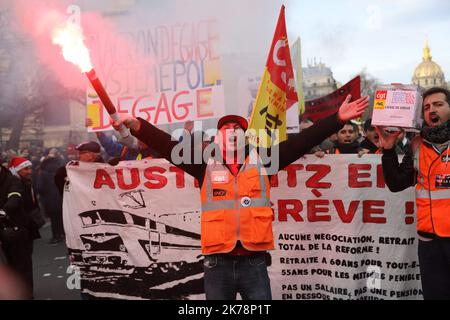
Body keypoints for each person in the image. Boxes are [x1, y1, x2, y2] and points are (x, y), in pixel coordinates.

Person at [113, 94, 368, 300]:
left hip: (253, 265)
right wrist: (137, 126)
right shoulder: (202, 164)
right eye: (226, 128)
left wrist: (336, 119)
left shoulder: (264, 161)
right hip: (217, 266)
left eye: (237, 128)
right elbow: (168, 145)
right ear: (218, 137)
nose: (232, 131)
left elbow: (302, 140)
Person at [376, 87, 450, 300]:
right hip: (429, 243)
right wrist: (389, 149)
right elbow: (397, 183)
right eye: (426, 107)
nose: (431, 110)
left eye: (438, 104)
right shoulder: (417, 145)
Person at [8, 157, 42, 295]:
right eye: (25, 169)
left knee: (24, 262)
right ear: (17, 170)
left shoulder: (27, 182)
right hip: (18, 228)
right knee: (19, 264)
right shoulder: (13, 184)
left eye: (29, 168)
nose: (29, 171)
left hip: (27, 228)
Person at [0, 163, 33, 299]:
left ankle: (26, 294)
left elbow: (15, 196)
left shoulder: (12, 179)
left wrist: (4, 210)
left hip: (16, 228)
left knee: (21, 265)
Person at [37, 149, 64, 244]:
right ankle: (62, 234)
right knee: (61, 217)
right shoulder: (61, 171)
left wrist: (44, 195)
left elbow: (39, 187)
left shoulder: (43, 173)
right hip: (62, 198)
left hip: (49, 199)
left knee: (54, 219)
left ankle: (56, 236)